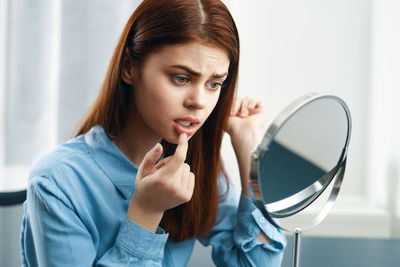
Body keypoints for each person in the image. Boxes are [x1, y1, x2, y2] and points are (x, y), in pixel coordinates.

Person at [20, 0, 286, 266]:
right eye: (181, 78)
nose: (199, 101)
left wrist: (248, 146)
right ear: (129, 68)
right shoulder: (57, 181)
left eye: (214, 84)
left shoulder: (196, 165)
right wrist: (146, 212)